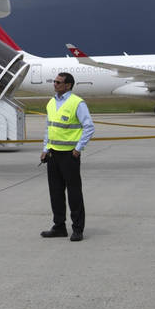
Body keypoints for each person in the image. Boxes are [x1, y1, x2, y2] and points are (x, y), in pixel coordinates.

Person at [39, 72, 94, 242]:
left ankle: (77, 228)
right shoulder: (51, 102)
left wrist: (78, 148)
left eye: (58, 82)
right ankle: (59, 226)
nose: (55, 84)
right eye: (54, 82)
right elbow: (50, 128)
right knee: (55, 192)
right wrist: (45, 148)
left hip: (69, 155)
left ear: (68, 85)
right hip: (53, 153)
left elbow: (89, 127)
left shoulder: (77, 102)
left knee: (74, 193)